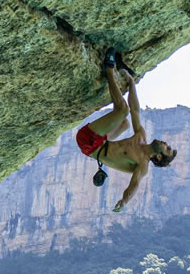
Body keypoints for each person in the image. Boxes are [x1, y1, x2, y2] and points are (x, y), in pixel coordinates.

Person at [74, 52, 177, 212]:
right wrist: (131, 84)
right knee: (125, 123)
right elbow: (135, 110)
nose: (165, 143)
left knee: (123, 110)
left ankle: (108, 69)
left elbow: (134, 185)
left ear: (158, 156)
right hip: (101, 141)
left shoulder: (142, 165)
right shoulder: (141, 136)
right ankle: (116, 77)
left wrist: (124, 200)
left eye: (167, 148)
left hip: (89, 144)